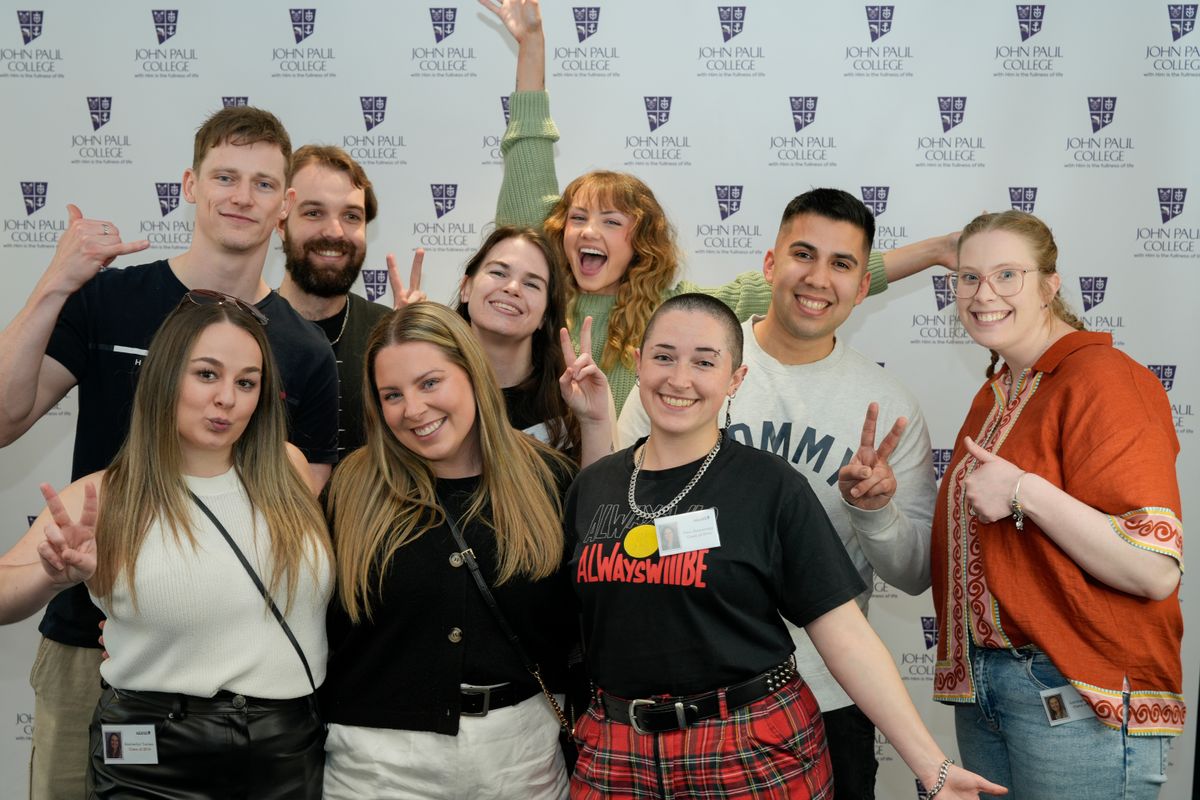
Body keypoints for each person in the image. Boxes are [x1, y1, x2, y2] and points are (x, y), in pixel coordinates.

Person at [0, 104, 338, 799]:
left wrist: (173, 605)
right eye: (225, 176)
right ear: (190, 184)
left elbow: (282, 532)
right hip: (85, 641)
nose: (242, 197)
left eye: (263, 183)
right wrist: (57, 282)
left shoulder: (305, 350)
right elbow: (4, 419)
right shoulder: (110, 299)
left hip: (234, 680)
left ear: (284, 205)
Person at [565, 293, 1004, 799]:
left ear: (735, 379)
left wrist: (933, 767)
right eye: (664, 356)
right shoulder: (593, 484)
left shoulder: (770, 487)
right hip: (617, 751)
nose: (679, 379)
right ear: (638, 364)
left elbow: (845, 633)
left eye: (704, 362)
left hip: (746, 747)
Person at [481, 0, 960, 415]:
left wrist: (935, 251)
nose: (590, 231)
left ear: (640, 243)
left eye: (611, 221)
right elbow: (528, 160)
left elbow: (811, 280)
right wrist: (532, 49)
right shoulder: (539, 295)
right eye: (579, 218)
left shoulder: (672, 310)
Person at [618, 188, 936, 799]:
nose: (818, 278)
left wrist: (873, 513)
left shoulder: (887, 404)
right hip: (685, 697)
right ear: (770, 264)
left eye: (841, 264)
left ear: (861, 288)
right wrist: (719, 531)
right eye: (803, 254)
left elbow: (915, 572)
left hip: (832, 695)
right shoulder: (689, 370)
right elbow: (624, 528)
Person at [932, 210, 1184, 798]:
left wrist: (1025, 491)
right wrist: (880, 507)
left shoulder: (1104, 378)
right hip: (988, 685)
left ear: (1050, 285)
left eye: (1006, 275)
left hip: (1076, 691)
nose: (983, 294)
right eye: (968, 278)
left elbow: (1153, 570)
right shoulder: (998, 392)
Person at [320, 302, 578, 800]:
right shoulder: (352, 489)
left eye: (430, 383)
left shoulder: (548, 479)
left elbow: (585, 617)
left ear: (473, 373)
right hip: (376, 766)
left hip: (521, 760)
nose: (413, 409)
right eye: (392, 395)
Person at [277, 144, 426, 461]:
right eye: (313, 212)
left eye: (351, 216)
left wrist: (412, 354)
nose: (335, 232)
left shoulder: (385, 332)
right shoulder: (245, 333)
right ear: (280, 224)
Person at [455, 225, 613, 465]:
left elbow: (598, 489)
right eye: (498, 272)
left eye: (531, 284)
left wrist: (593, 422)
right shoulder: (435, 386)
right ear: (466, 288)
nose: (512, 288)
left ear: (545, 316)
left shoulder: (572, 396)